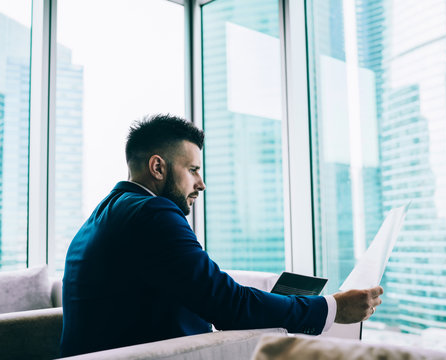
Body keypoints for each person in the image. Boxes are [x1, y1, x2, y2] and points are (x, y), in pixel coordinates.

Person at [60, 114, 383, 357]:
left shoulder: (103, 215)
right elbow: (229, 305)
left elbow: (204, 288)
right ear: (158, 167)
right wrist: (331, 308)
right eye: (193, 170)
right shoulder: (153, 214)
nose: (201, 184)